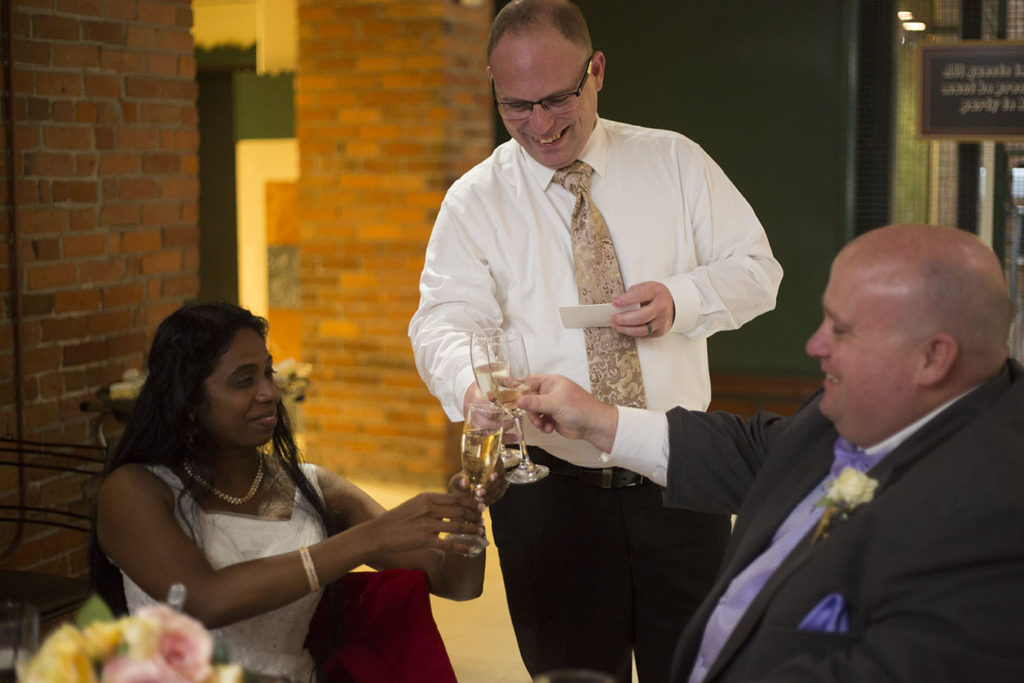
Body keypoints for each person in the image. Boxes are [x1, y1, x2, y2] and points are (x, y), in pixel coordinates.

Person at [408, 0, 782, 679]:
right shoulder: (474, 201)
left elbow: (759, 271)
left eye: (557, 99)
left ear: (597, 71)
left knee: (697, 669)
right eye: (516, 107)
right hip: (548, 489)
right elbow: (444, 318)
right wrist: (470, 384)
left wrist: (681, 298)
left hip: (678, 475)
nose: (541, 125)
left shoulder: (675, 163)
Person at [517, 224, 1024, 682]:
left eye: (842, 330)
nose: (815, 345)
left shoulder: (993, 517)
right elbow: (757, 451)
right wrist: (599, 420)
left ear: (933, 357)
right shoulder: (867, 408)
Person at [90, 302, 505, 682]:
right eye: (243, 380)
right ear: (191, 403)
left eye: (267, 372)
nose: (269, 391)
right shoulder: (135, 490)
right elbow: (202, 599)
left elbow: (458, 585)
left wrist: (470, 510)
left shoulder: (314, 488)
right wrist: (365, 540)